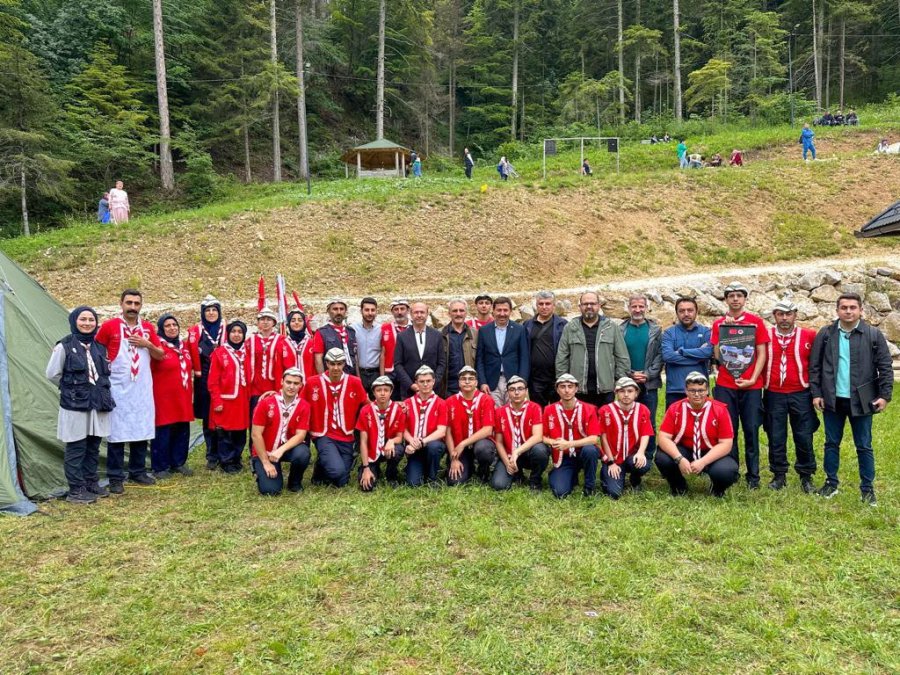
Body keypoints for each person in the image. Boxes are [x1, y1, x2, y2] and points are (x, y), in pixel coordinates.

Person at [809, 293, 893, 505]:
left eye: (853, 307)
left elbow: (885, 367)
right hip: (833, 399)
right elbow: (815, 366)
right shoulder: (826, 334)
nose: (848, 311)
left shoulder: (873, 334)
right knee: (831, 443)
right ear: (837, 310)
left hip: (862, 399)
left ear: (860, 310)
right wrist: (817, 393)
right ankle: (831, 483)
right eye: (844, 307)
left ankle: (867, 488)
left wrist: (884, 396)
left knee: (864, 445)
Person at [95, 289, 164, 492]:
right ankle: (115, 476)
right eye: (129, 303)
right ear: (121, 304)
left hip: (141, 387)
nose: (133, 307)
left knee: (140, 428)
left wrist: (147, 344)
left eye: (136, 303)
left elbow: (160, 355)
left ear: (141, 305)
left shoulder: (148, 328)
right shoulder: (109, 326)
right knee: (117, 431)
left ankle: (137, 470)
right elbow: (97, 351)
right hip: (118, 386)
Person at [45, 307, 115, 504]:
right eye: (82, 319)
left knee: (93, 445)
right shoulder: (64, 346)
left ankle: (91, 482)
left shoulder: (99, 347)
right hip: (75, 404)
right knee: (76, 446)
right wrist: (71, 389)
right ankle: (76, 489)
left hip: (97, 403)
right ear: (74, 321)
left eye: (91, 320)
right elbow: (52, 374)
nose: (87, 323)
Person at [710, 282, 769, 489]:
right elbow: (718, 355)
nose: (735, 299)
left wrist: (753, 378)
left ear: (745, 299)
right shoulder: (719, 324)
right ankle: (731, 471)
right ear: (726, 299)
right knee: (729, 430)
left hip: (751, 386)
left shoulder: (756, 322)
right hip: (726, 384)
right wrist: (725, 332)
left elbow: (761, 352)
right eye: (731, 295)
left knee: (751, 429)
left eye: (739, 295)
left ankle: (753, 476)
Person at [763, 300, 819, 493]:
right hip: (773, 393)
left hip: (801, 393)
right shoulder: (765, 335)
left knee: (804, 435)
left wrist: (817, 392)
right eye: (780, 314)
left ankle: (806, 475)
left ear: (795, 315)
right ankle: (779, 474)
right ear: (774, 315)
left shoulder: (809, 335)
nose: (784, 318)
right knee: (775, 435)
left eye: (788, 314)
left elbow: (816, 364)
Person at [656, 371, 739, 497]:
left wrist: (703, 461)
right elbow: (663, 437)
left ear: (707, 391)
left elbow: (726, 443)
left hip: (711, 450)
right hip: (685, 449)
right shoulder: (675, 408)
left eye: (701, 390)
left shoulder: (720, 410)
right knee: (663, 458)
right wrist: (679, 458)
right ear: (686, 391)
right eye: (692, 390)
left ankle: (717, 489)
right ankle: (678, 486)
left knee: (726, 470)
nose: (696, 394)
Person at [303, 348, 368, 488]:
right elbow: (299, 405)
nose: (336, 368)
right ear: (326, 363)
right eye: (332, 363)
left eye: (339, 363)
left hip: (346, 435)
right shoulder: (312, 382)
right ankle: (324, 462)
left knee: (341, 481)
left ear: (344, 363)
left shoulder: (354, 382)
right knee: (337, 472)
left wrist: (392, 406)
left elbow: (367, 405)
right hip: (323, 434)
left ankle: (323, 464)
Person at [555, 291, 630, 407]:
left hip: (605, 390)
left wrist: (620, 382)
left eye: (592, 303)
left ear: (599, 306)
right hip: (578, 390)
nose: (589, 306)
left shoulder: (611, 327)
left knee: (605, 419)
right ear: (580, 306)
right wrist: (564, 382)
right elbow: (562, 358)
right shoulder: (570, 328)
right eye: (585, 304)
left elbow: (622, 357)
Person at [250, 368, 311, 495]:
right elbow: (256, 434)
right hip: (265, 451)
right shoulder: (266, 402)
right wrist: (266, 462)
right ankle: (259, 466)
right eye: (288, 382)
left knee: (303, 453)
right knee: (270, 490)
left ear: (301, 385)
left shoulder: (304, 405)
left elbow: (301, 435)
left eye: (296, 383)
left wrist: (281, 450)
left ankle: (294, 482)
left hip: (286, 449)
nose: (291, 387)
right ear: (282, 382)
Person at [150, 314, 194, 479]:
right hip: (163, 398)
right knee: (163, 431)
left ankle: (178, 462)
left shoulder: (183, 346)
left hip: (182, 397)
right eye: (167, 325)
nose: (172, 328)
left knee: (182, 429)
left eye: (174, 325)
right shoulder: (157, 347)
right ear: (161, 329)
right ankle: (160, 466)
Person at [544, 373, 601, 498]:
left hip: (583, 452)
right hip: (564, 456)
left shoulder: (589, 409)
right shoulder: (549, 410)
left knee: (590, 450)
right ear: (557, 390)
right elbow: (543, 436)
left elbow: (594, 439)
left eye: (570, 386)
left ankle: (589, 487)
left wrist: (569, 444)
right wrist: (554, 442)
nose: (566, 390)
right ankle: (568, 475)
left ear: (576, 389)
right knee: (560, 492)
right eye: (562, 387)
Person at [619, 295, 662, 460]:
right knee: (627, 420)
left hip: (649, 384)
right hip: (627, 383)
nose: (638, 310)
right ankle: (627, 452)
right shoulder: (620, 330)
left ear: (646, 308)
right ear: (628, 308)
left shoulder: (655, 330)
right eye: (634, 306)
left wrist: (648, 374)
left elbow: (660, 355)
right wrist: (630, 374)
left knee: (648, 421)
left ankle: (648, 455)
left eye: (641, 306)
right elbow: (617, 356)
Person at [597, 377, 654, 498]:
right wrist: (611, 462)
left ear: (636, 393)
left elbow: (646, 433)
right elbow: (603, 437)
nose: (626, 394)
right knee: (614, 493)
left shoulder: (642, 409)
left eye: (630, 391)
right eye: (622, 391)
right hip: (614, 457)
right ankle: (606, 475)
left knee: (642, 465)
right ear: (616, 393)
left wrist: (641, 453)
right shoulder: (605, 410)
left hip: (632, 455)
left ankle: (635, 478)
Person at [208, 320, 252, 473]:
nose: (236, 335)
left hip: (242, 400)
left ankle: (236, 458)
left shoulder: (247, 353)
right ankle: (226, 461)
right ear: (228, 334)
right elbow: (213, 381)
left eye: (240, 332)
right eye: (233, 331)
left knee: (240, 432)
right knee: (225, 433)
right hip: (226, 400)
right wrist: (217, 400)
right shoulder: (219, 353)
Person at [491, 375, 549, 491]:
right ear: (508, 393)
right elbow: (499, 442)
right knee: (499, 485)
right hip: (509, 455)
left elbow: (538, 436)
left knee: (540, 450)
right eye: (512, 389)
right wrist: (507, 463)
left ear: (526, 391)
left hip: (528, 453)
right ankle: (518, 474)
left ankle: (535, 479)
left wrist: (517, 452)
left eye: (520, 389)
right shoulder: (500, 412)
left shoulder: (535, 408)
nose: (516, 393)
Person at [188, 295, 226, 470]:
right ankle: (211, 455)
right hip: (203, 378)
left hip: (223, 378)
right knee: (207, 417)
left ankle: (225, 453)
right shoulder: (196, 331)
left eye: (214, 310)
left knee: (223, 414)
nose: (211, 313)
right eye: (207, 310)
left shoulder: (226, 329)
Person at [446, 366, 497, 485]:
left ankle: (483, 470)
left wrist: (463, 444)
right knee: (455, 482)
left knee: (483, 449)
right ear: (459, 382)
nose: (467, 381)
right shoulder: (450, 401)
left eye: (471, 379)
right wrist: (454, 458)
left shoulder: (486, 400)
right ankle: (468, 466)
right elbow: (447, 432)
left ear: (476, 383)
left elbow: (488, 430)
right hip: (459, 448)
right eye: (463, 379)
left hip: (479, 444)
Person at [475, 296, 529, 405]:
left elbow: (524, 358)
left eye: (505, 310)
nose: (502, 313)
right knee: (494, 413)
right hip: (491, 383)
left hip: (514, 381)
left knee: (514, 412)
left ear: (510, 311)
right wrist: (482, 382)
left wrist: (522, 382)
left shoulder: (519, 330)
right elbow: (480, 359)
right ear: (493, 311)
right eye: (499, 310)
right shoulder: (484, 331)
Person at [661, 297, 713, 409]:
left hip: (700, 389)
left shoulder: (706, 332)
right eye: (682, 311)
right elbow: (668, 356)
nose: (686, 314)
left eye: (690, 310)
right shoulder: (669, 333)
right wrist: (697, 357)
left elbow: (708, 352)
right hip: (675, 390)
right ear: (676, 313)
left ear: (696, 312)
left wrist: (681, 352)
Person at [357, 376, 406, 491]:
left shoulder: (398, 410)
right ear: (374, 392)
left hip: (389, 448)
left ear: (391, 392)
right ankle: (372, 468)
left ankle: (391, 474)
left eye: (386, 390)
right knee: (367, 487)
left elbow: (400, 437)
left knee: (398, 450)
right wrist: (366, 467)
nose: (382, 393)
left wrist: (391, 441)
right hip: (372, 450)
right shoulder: (365, 410)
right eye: (379, 390)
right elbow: (363, 442)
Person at [402, 366, 449, 487]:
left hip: (431, 445)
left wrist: (423, 441)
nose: (425, 384)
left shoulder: (441, 403)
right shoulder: (407, 403)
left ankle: (432, 477)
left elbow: (441, 431)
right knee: (413, 483)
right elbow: (403, 428)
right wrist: (411, 441)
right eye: (422, 381)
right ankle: (415, 467)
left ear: (433, 381)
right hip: (414, 447)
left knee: (434, 447)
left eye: (428, 381)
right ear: (416, 383)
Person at [247, 308, 296, 420]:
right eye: (262, 319)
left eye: (268, 319)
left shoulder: (282, 340)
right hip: (255, 386)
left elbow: (288, 364)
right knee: (255, 417)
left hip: (274, 385)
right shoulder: (250, 341)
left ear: (274, 322)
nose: (265, 322)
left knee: (273, 417)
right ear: (258, 322)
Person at [522, 290, 567, 406]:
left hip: (556, 377)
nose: (544, 307)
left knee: (557, 410)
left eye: (548, 303)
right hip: (535, 378)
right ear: (536, 305)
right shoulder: (527, 325)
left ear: (554, 305)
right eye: (541, 304)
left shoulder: (563, 325)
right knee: (537, 411)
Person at [393, 302, 446, 398]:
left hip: (433, 390)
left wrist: (433, 383)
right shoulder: (402, 336)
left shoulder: (437, 335)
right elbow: (398, 364)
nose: (419, 315)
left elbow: (441, 362)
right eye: (416, 312)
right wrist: (411, 385)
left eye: (422, 312)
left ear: (427, 314)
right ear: (410, 314)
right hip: (409, 391)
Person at [440, 299, 478, 397]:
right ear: (449, 313)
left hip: (470, 388)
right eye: (454, 311)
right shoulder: (439, 334)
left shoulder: (476, 334)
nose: (458, 314)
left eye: (461, 310)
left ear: (466, 313)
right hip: (447, 389)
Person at [312, 298, 358, 375]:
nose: (339, 312)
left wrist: (358, 377)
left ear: (345, 311)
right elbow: (318, 359)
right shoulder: (321, 332)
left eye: (341, 309)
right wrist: (323, 378)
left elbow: (355, 357)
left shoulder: (351, 331)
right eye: (335, 309)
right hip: (332, 375)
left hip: (351, 376)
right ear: (328, 311)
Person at [351, 297, 382, 396]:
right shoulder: (352, 329)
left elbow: (383, 353)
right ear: (361, 311)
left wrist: (382, 377)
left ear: (376, 312)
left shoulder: (381, 330)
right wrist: (357, 376)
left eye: (373, 310)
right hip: (358, 373)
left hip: (376, 373)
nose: (370, 313)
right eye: (367, 310)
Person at [380, 298, 410, 387]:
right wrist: (382, 377)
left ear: (408, 310)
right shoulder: (385, 328)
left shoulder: (414, 327)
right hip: (390, 372)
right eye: (396, 309)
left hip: (408, 371)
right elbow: (382, 353)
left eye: (402, 309)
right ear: (392, 312)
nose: (399, 312)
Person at [285, 309, 316, 382]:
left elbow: (316, 366)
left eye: (300, 320)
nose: (296, 322)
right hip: (289, 386)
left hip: (309, 384)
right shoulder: (283, 344)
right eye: (293, 321)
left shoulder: (312, 343)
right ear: (289, 323)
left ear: (304, 323)